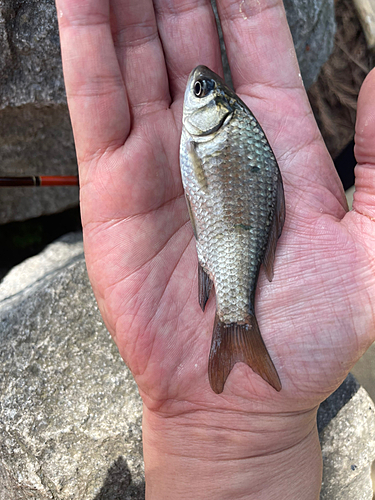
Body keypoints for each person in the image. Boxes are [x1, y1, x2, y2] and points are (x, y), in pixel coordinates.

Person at [56, 0, 375, 498]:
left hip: (224, 245)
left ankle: (236, 326)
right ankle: (235, 328)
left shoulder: (212, 133)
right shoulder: (211, 132)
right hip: (226, 240)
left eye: (200, 91)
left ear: (215, 110)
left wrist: (235, 438)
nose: (193, 92)